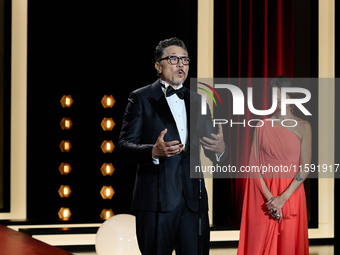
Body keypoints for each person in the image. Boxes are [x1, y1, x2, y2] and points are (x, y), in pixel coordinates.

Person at [118, 37, 227, 255]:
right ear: (158, 66)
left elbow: (211, 147)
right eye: (174, 59)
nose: (181, 64)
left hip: (193, 202)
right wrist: (153, 151)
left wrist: (220, 149)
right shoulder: (140, 98)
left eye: (185, 60)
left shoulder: (199, 101)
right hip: (156, 203)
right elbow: (123, 146)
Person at [237, 76, 311, 255]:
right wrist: (271, 200)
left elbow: (305, 168)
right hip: (265, 196)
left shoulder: (303, 126)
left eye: (282, 94)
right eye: (274, 94)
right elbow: (253, 166)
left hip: (291, 194)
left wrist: (282, 198)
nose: (278, 98)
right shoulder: (262, 126)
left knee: (288, 247)